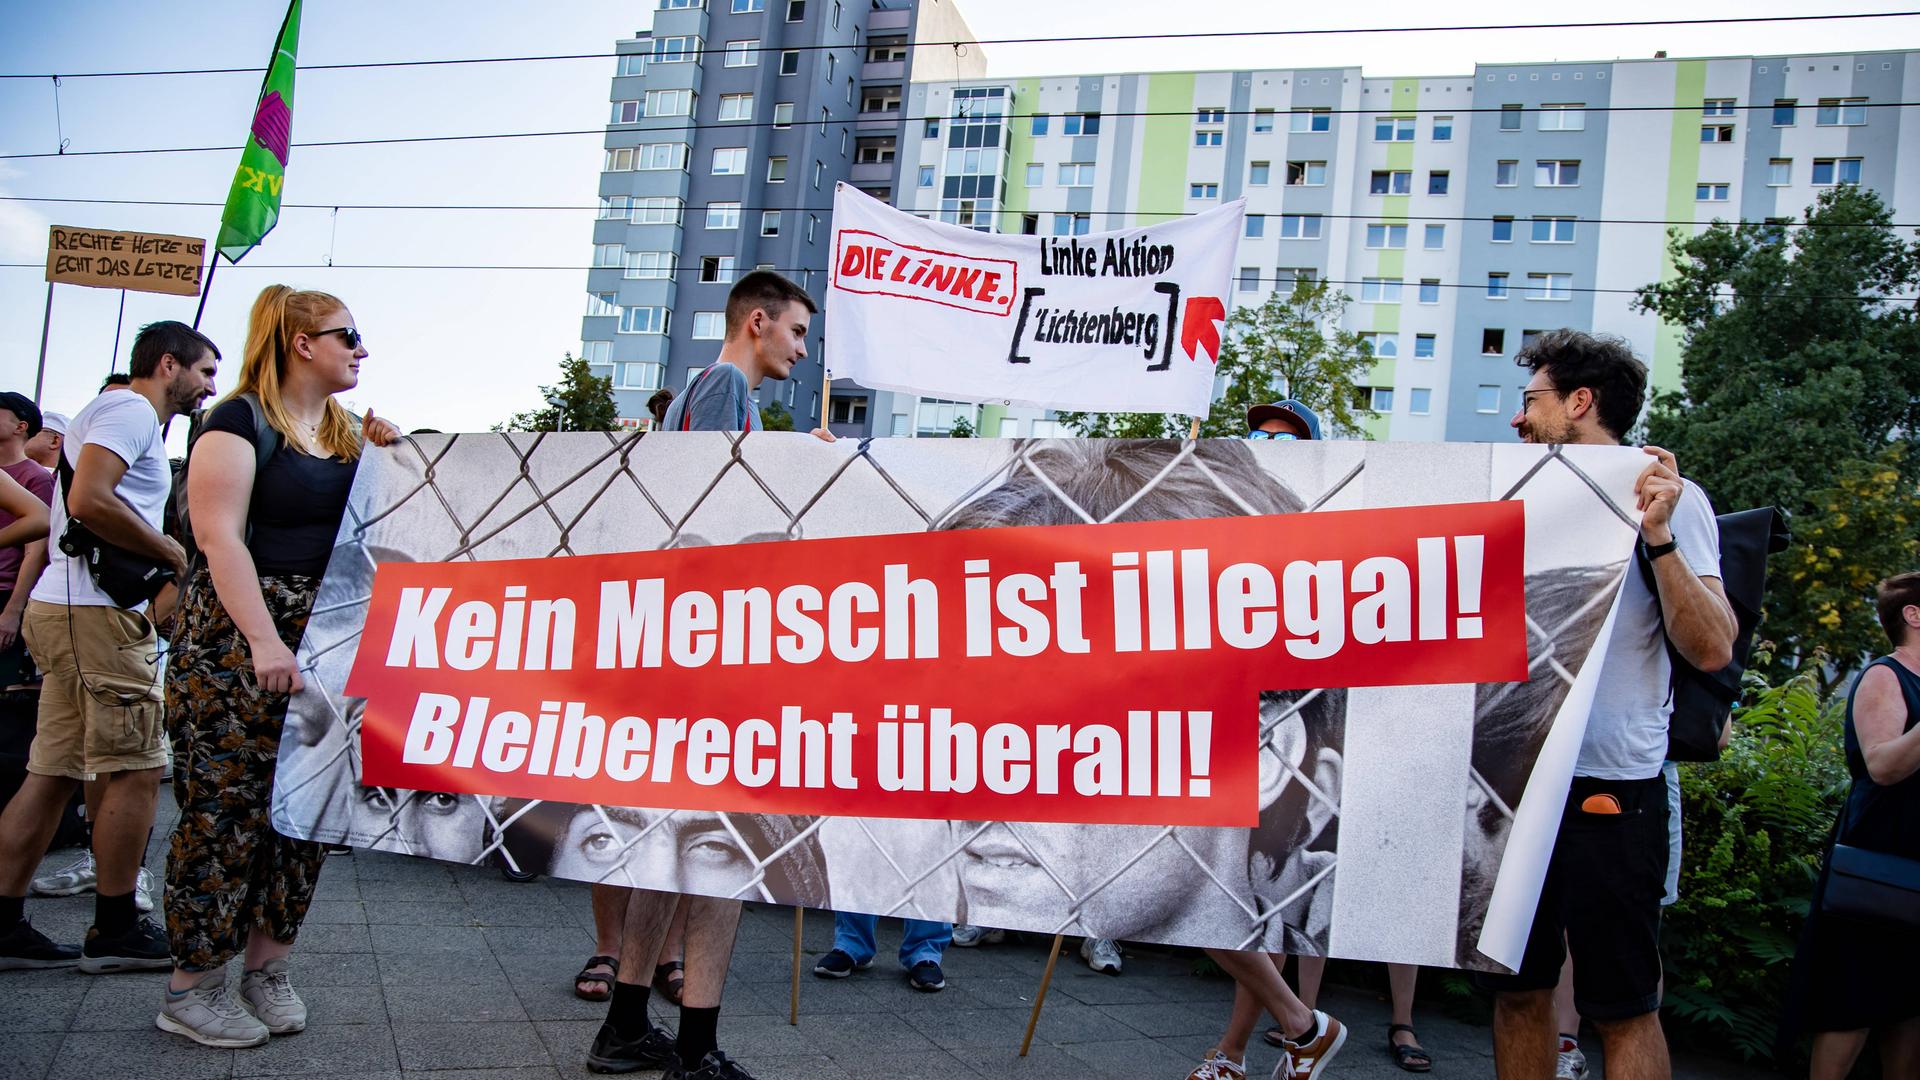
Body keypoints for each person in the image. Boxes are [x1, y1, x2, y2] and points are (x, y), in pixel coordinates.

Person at [1481, 329, 1736, 1080]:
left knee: (1621, 1006)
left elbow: (1714, 647)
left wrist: (1656, 536)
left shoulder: (1666, 497)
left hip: (1612, 784)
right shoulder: (1519, 490)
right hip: (1513, 782)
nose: (1518, 419)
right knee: (1515, 992)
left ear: (1580, 402)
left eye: (1531, 401)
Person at [588, 270, 816, 1080]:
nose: (800, 348)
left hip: (685, 650)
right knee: (724, 849)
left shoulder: (712, 395)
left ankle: (623, 1027)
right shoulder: (724, 387)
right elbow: (716, 512)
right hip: (715, 651)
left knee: (670, 850)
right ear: (758, 322)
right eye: (794, 332)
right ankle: (695, 1052)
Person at [157, 287, 400, 1048]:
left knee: (303, 816)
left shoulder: (344, 434)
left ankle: (268, 968)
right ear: (300, 342)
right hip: (235, 642)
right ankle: (193, 987)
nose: (360, 350)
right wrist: (265, 641)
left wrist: (394, 457)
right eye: (347, 336)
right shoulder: (237, 420)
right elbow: (218, 538)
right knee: (223, 814)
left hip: (322, 639)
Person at [0, 321, 216, 975]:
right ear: (169, 365)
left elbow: (76, 504)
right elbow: (89, 500)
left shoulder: (112, 410)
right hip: (93, 616)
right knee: (137, 767)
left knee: (54, 771)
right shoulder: (130, 409)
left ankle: (4, 922)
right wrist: (172, 552)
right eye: (205, 371)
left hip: (68, 611)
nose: (209, 386)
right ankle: (117, 926)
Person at [1786, 572, 1920, 1079]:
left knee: (1910, 1009)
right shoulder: (1885, 675)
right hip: (1881, 860)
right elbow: (1883, 765)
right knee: (1854, 998)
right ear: (1913, 614)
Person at [0, 393, 54, 692]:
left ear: (20, 426)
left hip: (5, 591)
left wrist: (12, 610)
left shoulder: (35, 477)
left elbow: (36, 550)